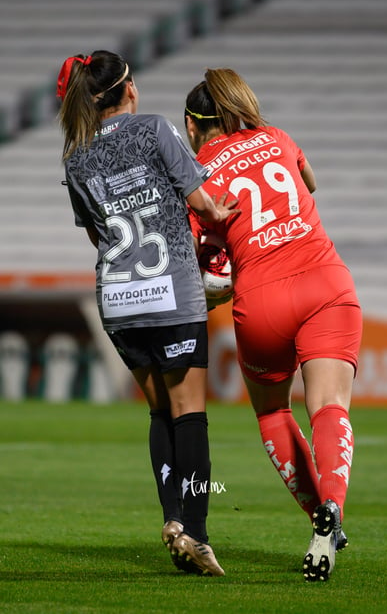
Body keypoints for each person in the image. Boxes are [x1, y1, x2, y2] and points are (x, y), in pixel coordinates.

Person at [56, 51, 239, 577]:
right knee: (191, 416)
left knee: (160, 412)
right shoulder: (156, 129)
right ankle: (198, 535)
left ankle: (173, 519)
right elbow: (204, 205)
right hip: (171, 295)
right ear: (128, 88)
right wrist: (230, 213)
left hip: (117, 300)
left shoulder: (75, 157)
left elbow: (97, 234)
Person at [185, 68, 363, 582]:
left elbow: (199, 255)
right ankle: (332, 512)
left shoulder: (197, 171)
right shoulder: (278, 136)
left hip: (260, 297)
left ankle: (317, 517)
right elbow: (310, 184)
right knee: (329, 406)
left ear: (196, 128)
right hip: (324, 281)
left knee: (272, 413)